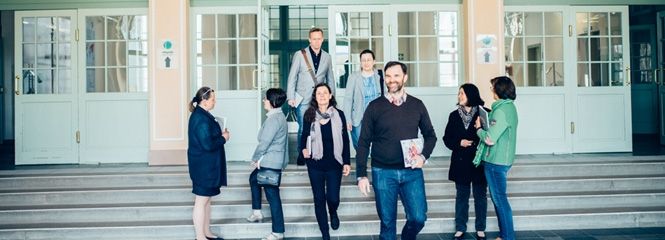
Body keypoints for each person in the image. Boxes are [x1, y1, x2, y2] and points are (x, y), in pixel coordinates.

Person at [356, 61, 437, 240]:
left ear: (405, 77)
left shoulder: (417, 105)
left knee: (418, 218)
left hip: (412, 172)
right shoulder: (374, 106)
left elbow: (431, 135)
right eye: (388, 76)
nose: (391, 80)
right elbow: (363, 142)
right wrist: (361, 174)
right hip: (383, 172)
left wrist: (423, 157)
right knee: (387, 223)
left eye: (396, 75)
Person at [299, 83, 351, 240]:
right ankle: (325, 234)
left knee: (333, 198)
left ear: (330, 96)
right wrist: (303, 149)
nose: (321, 95)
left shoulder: (339, 114)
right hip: (315, 163)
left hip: (335, 163)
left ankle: (333, 211)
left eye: (325, 93)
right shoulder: (309, 114)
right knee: (319, 198)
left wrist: (347, 162)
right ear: (315, 97)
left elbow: (345, 139)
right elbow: (304, 135)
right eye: (318, 93)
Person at [473, 76, 518, 240]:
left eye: (492, 87)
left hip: (496, 161)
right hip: (503, 160)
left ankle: (508, 237)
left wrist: (479, 129)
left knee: (500, 201)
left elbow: (489, 139)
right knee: (499, 199)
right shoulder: (509, 107)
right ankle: (504, 235)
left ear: (499, 89)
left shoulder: (500, 111)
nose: (491, 90)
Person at [443, 83, 488, 240]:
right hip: (460, 162)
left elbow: (491, 137)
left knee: (480, 196)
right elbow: (447, 139)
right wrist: (459, 143)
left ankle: (480, 228)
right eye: (459, 93)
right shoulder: (454, 115)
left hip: (479, 162)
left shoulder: (484, 114)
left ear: (471, 95)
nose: (459, 96)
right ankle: (460, 227)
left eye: (462, 93)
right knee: (462, 196)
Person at [287, 27, 336, 165]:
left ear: (322, 39)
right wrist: (291, 97)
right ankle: (302, 153)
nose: (316, 41)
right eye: (314, 39)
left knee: (319, 126)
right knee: (303, 127)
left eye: (319, 38)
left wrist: (332, 97)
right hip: (302, 98)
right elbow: (292, 77)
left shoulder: (327, 57)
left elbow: (330, 78)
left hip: (320, 98)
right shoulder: (299, 54)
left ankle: (316, 152)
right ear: (310, 39)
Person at [187, 86, 230, 240]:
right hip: (203, 167)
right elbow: (208, 145)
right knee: (201, 201)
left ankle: (206, 232)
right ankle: (200, 236)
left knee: (207, 200)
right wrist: (224, 138)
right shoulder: (200, 118)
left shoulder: (202, 114)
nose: (215, 102)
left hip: (206, 165)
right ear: (204, 101)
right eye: (213, 99)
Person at [246, 88, 288, 240]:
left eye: (265, 98)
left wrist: (255, 158)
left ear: (272, 101)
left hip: (270, 162)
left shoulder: (274, 119)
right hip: (272, 160)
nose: (263, 100)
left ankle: (278, 232)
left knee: (272, 196)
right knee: (253, 179)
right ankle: (257, 212)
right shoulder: (277, 116)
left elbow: (264, 142)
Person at [343, 49, 383, 150]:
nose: (366, 63)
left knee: (379, 144)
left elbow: (386, 95)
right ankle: (362, 162)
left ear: (374, 61)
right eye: (363, 60)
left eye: (369, 60)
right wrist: (347, 119)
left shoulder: (380, 76)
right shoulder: (353, 77)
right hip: (358, 117)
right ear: (360, 62)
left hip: (378, 116)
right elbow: (348, 99)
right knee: (359, 144)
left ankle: (376, 162)